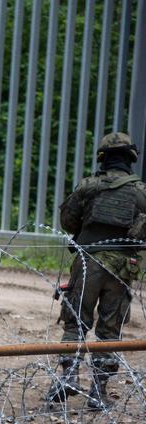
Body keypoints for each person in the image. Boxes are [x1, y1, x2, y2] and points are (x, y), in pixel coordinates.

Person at [46, 132, 145, 409]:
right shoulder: (140, 191)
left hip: (88, 262)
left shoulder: (88, 186)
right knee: (109, 330)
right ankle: (98, 392)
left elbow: (68, 221)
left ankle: (69, 377)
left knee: (76, 320)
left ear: (102, 157)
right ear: (131, 158)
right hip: (123, 268)